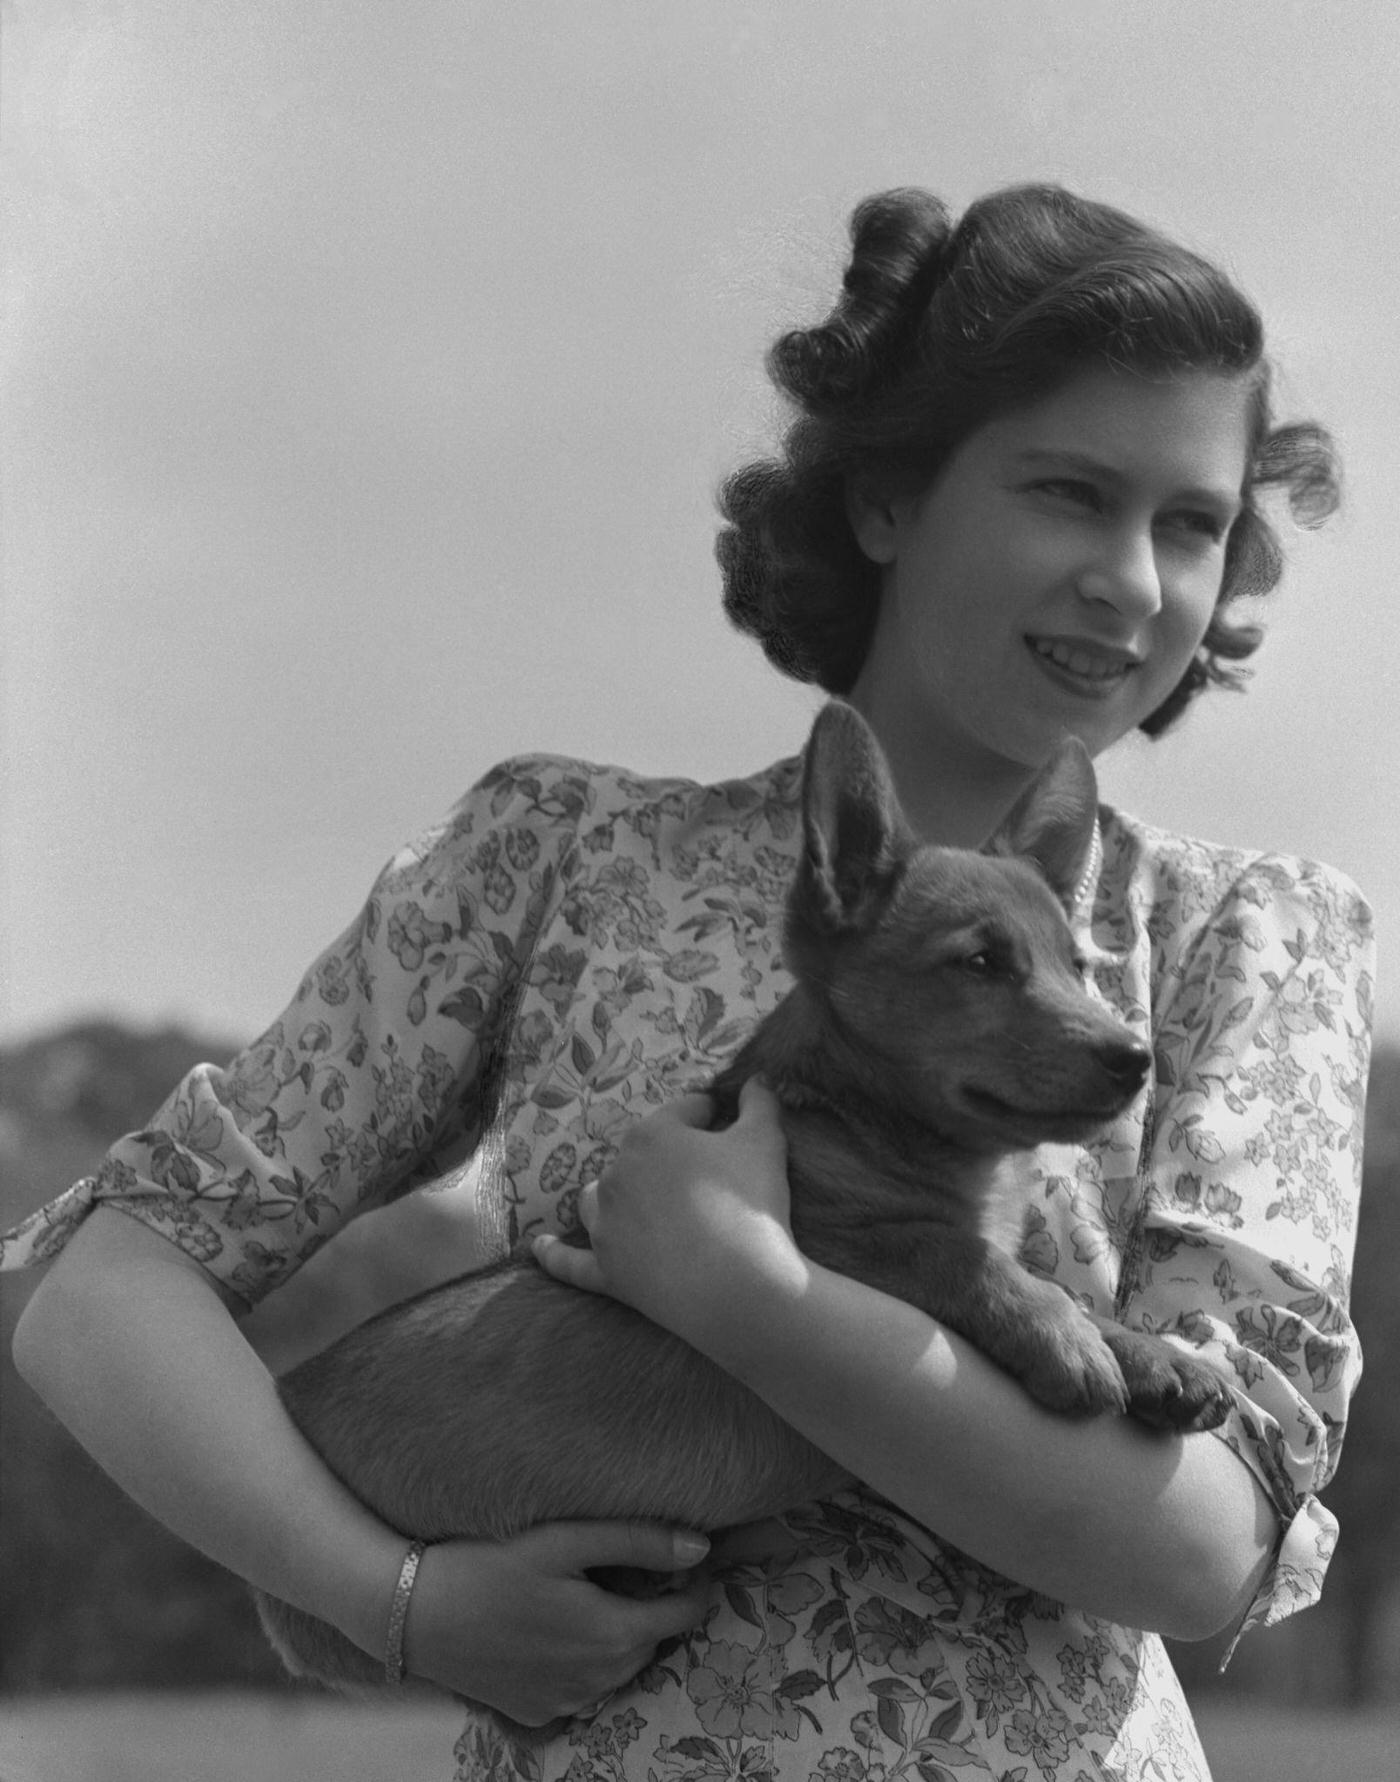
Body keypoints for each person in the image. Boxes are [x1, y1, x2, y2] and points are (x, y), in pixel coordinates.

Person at [7, 184, 1372, 1782]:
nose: (1133, 582)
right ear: (883, 496)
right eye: (1070, 493)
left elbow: (1201, 1550)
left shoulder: (1242, 937)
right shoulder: (559, 858)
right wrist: (392, 1597)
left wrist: (745, 1291)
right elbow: (99, 1291)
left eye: (1194, 524)